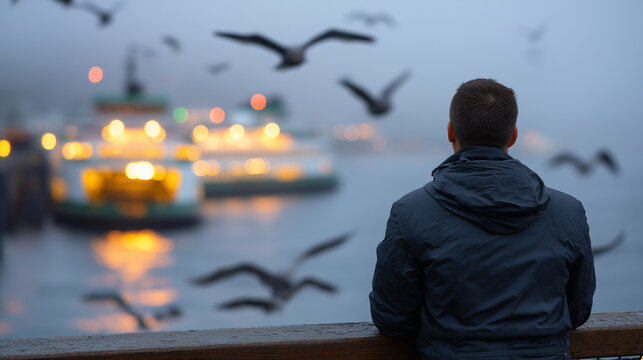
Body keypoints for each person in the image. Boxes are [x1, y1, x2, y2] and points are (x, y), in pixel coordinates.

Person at [370, 78, 595, 360]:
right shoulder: (568, 211)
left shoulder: (411, 211)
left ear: (450, 132)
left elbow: (392, 319)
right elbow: (579, 309)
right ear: (513, 136)